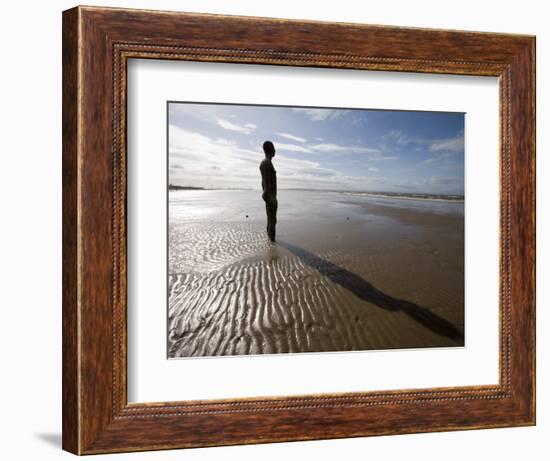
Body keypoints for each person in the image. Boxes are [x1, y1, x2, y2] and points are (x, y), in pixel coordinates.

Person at [259, 140, 277, 242]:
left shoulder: (268, 163)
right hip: (270, 198)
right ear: (269, 150)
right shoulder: (266, 163)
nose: (275, 151)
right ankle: (272, 245)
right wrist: (270, 199)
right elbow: (265, 183)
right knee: (272, 221)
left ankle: (270, 244)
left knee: (271, 221)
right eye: (274, 148)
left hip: (271, 197)